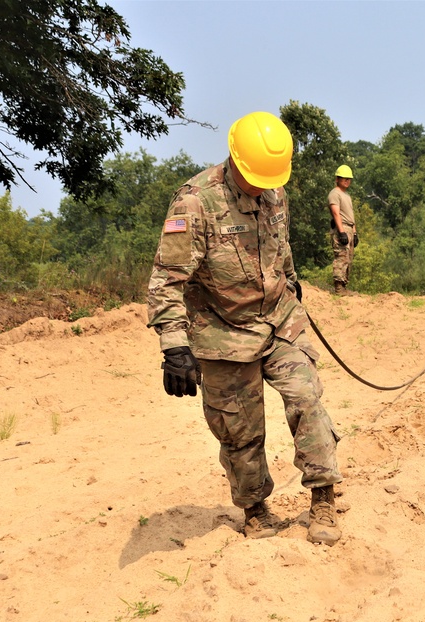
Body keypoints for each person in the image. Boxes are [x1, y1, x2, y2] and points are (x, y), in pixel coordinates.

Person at [146, 111, 344, 546]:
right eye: (256, 177)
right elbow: (166, 282)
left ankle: (324, 497)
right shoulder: (194, 203)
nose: (263, 186)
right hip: (222, 332)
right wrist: (174, 346)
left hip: (279, 321)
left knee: (306, 398)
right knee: (241, 430)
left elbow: (281, 247)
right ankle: (255, 509)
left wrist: (290, 284)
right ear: (235, 159)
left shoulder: (275, 189)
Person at [328, 165, 357, 295]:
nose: (347, 181)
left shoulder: (347, 195)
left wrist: (354, 233)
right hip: (342, 227)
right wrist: (341, 232)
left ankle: (344, 287)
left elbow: (351, 215)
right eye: (344, 178)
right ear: (337, 179)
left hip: (349, 227)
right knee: (341, 257)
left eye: (348, 179)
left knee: (348, 258)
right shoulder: (335, 194)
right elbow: (336, 213)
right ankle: (339, 288)